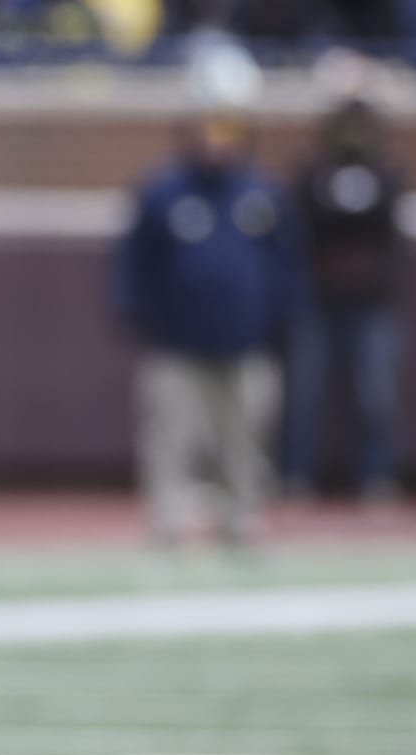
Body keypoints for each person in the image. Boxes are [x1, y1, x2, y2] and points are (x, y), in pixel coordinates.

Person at [115, 41, 300, 549]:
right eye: (211, 126)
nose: (219, 139)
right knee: (172, 437)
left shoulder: (263, 193)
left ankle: (242, 517)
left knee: (245, 439)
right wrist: (146, 319)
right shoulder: (163, 192)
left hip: (246, 342)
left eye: (230, 127)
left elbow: (286, 264)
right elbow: (136, 265)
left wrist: (275, 321)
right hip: (178, 344)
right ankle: (169, 521)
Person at [283, 97, 405, 503]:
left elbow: (384, 226)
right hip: (317, 300)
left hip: (370, 302)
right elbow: (306, 225)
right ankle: (298, 475)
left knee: (375, 395)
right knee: (305, 394)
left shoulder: (386, 173)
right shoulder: (312, 173)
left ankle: (375, 477)